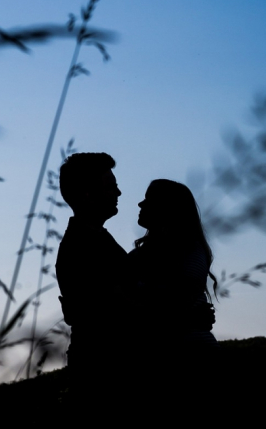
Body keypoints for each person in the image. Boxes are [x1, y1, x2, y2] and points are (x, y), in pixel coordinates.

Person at [55, 152, 128, 385]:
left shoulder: (98, 238)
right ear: (87, 194)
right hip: (103, 370)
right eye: (110, 187)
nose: (118, 193)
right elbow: (115, 306)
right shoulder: (81, 246)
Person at [127, 179, 218, 351]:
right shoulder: (136, 257)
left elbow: (176, 304)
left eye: (149, 199)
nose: (140, 204)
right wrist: (189, 318)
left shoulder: (190, 251)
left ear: (167, 207)